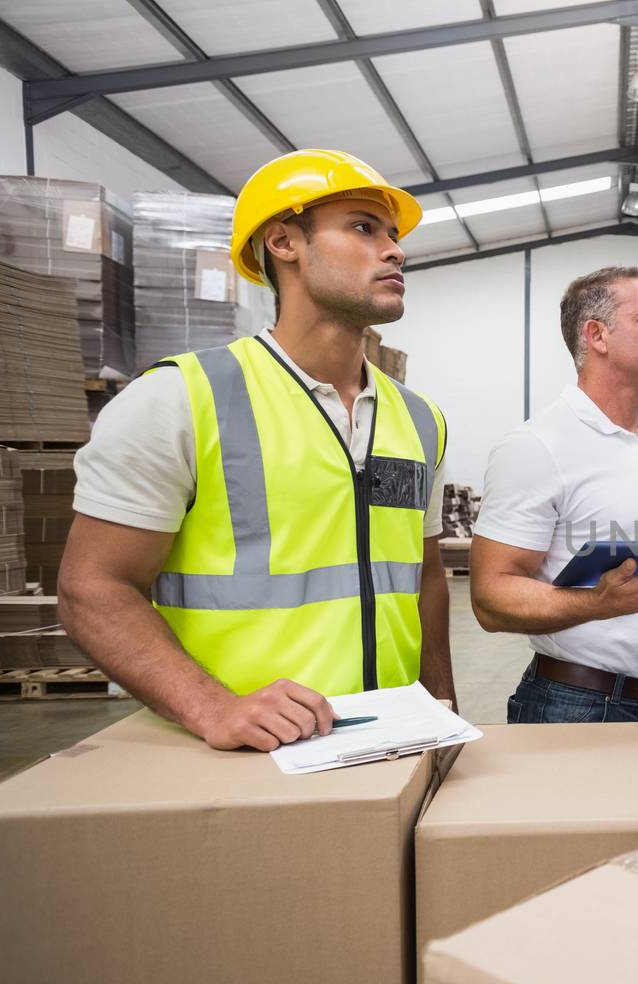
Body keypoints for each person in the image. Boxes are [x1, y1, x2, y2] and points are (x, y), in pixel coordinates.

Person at [58, 149, 454, 751]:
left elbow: (426, 578)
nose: (395, 250)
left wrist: (441, 710)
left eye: (393, 236)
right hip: (248, 753)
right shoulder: (181, 399)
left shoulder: (421, 421)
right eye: (363, 228)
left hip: (392, 743)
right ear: (284, 242)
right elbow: (93, 586)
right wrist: (214, 708)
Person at [471, 266, 638, 724]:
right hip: (577, 704)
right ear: (597, 335)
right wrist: (600, 604)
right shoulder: (537, 446)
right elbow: (489, 597)